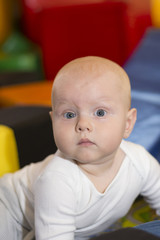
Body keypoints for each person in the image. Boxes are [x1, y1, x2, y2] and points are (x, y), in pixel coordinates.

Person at [0, 56, 160, 240]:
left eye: (100, 112)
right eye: (69, 114)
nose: (83, 124)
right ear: (53, 123)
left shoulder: (141, 163)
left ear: (127, 123)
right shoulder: (58, 180)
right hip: (9, 212)